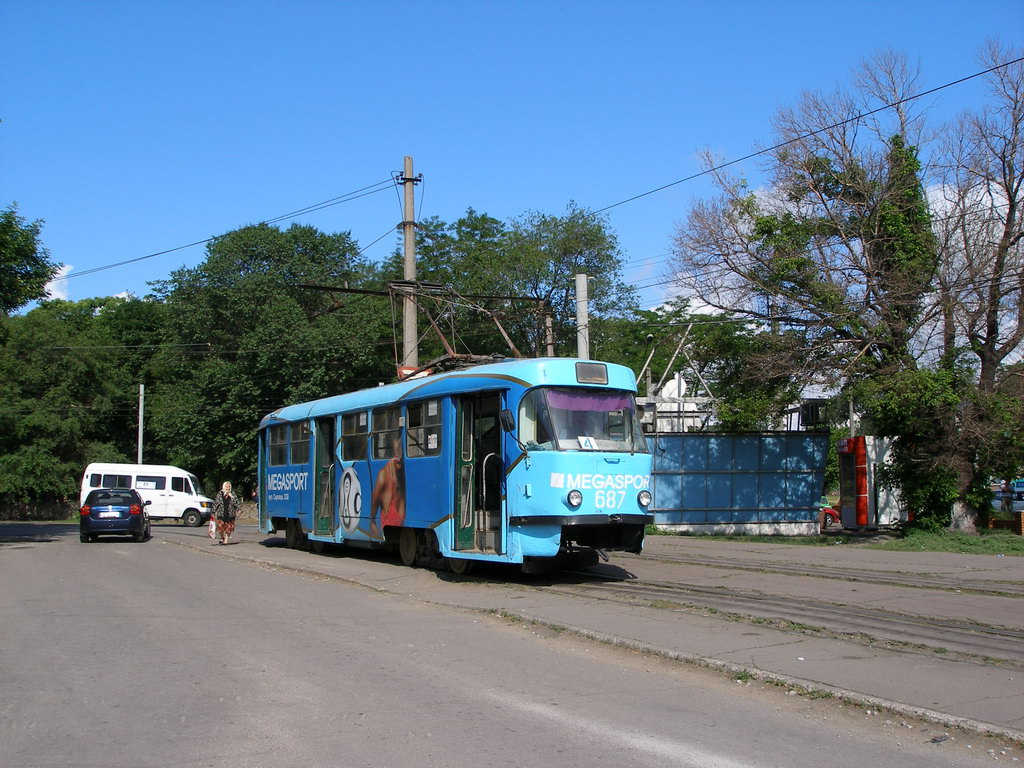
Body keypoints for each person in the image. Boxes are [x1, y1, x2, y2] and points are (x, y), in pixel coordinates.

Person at [212, 481, 241, 545]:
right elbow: (216, 502)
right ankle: (222, 537)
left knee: (229, 528)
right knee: (220, 527)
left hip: (230, 514)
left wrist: (239, 509)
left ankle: (226, 540)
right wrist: (213, 511)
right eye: (227, 486)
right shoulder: (220, 493)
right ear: (224, 486)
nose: (228, 487)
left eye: (229, 486)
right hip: (221, 513)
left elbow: (237, 502)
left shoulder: (232, 494)